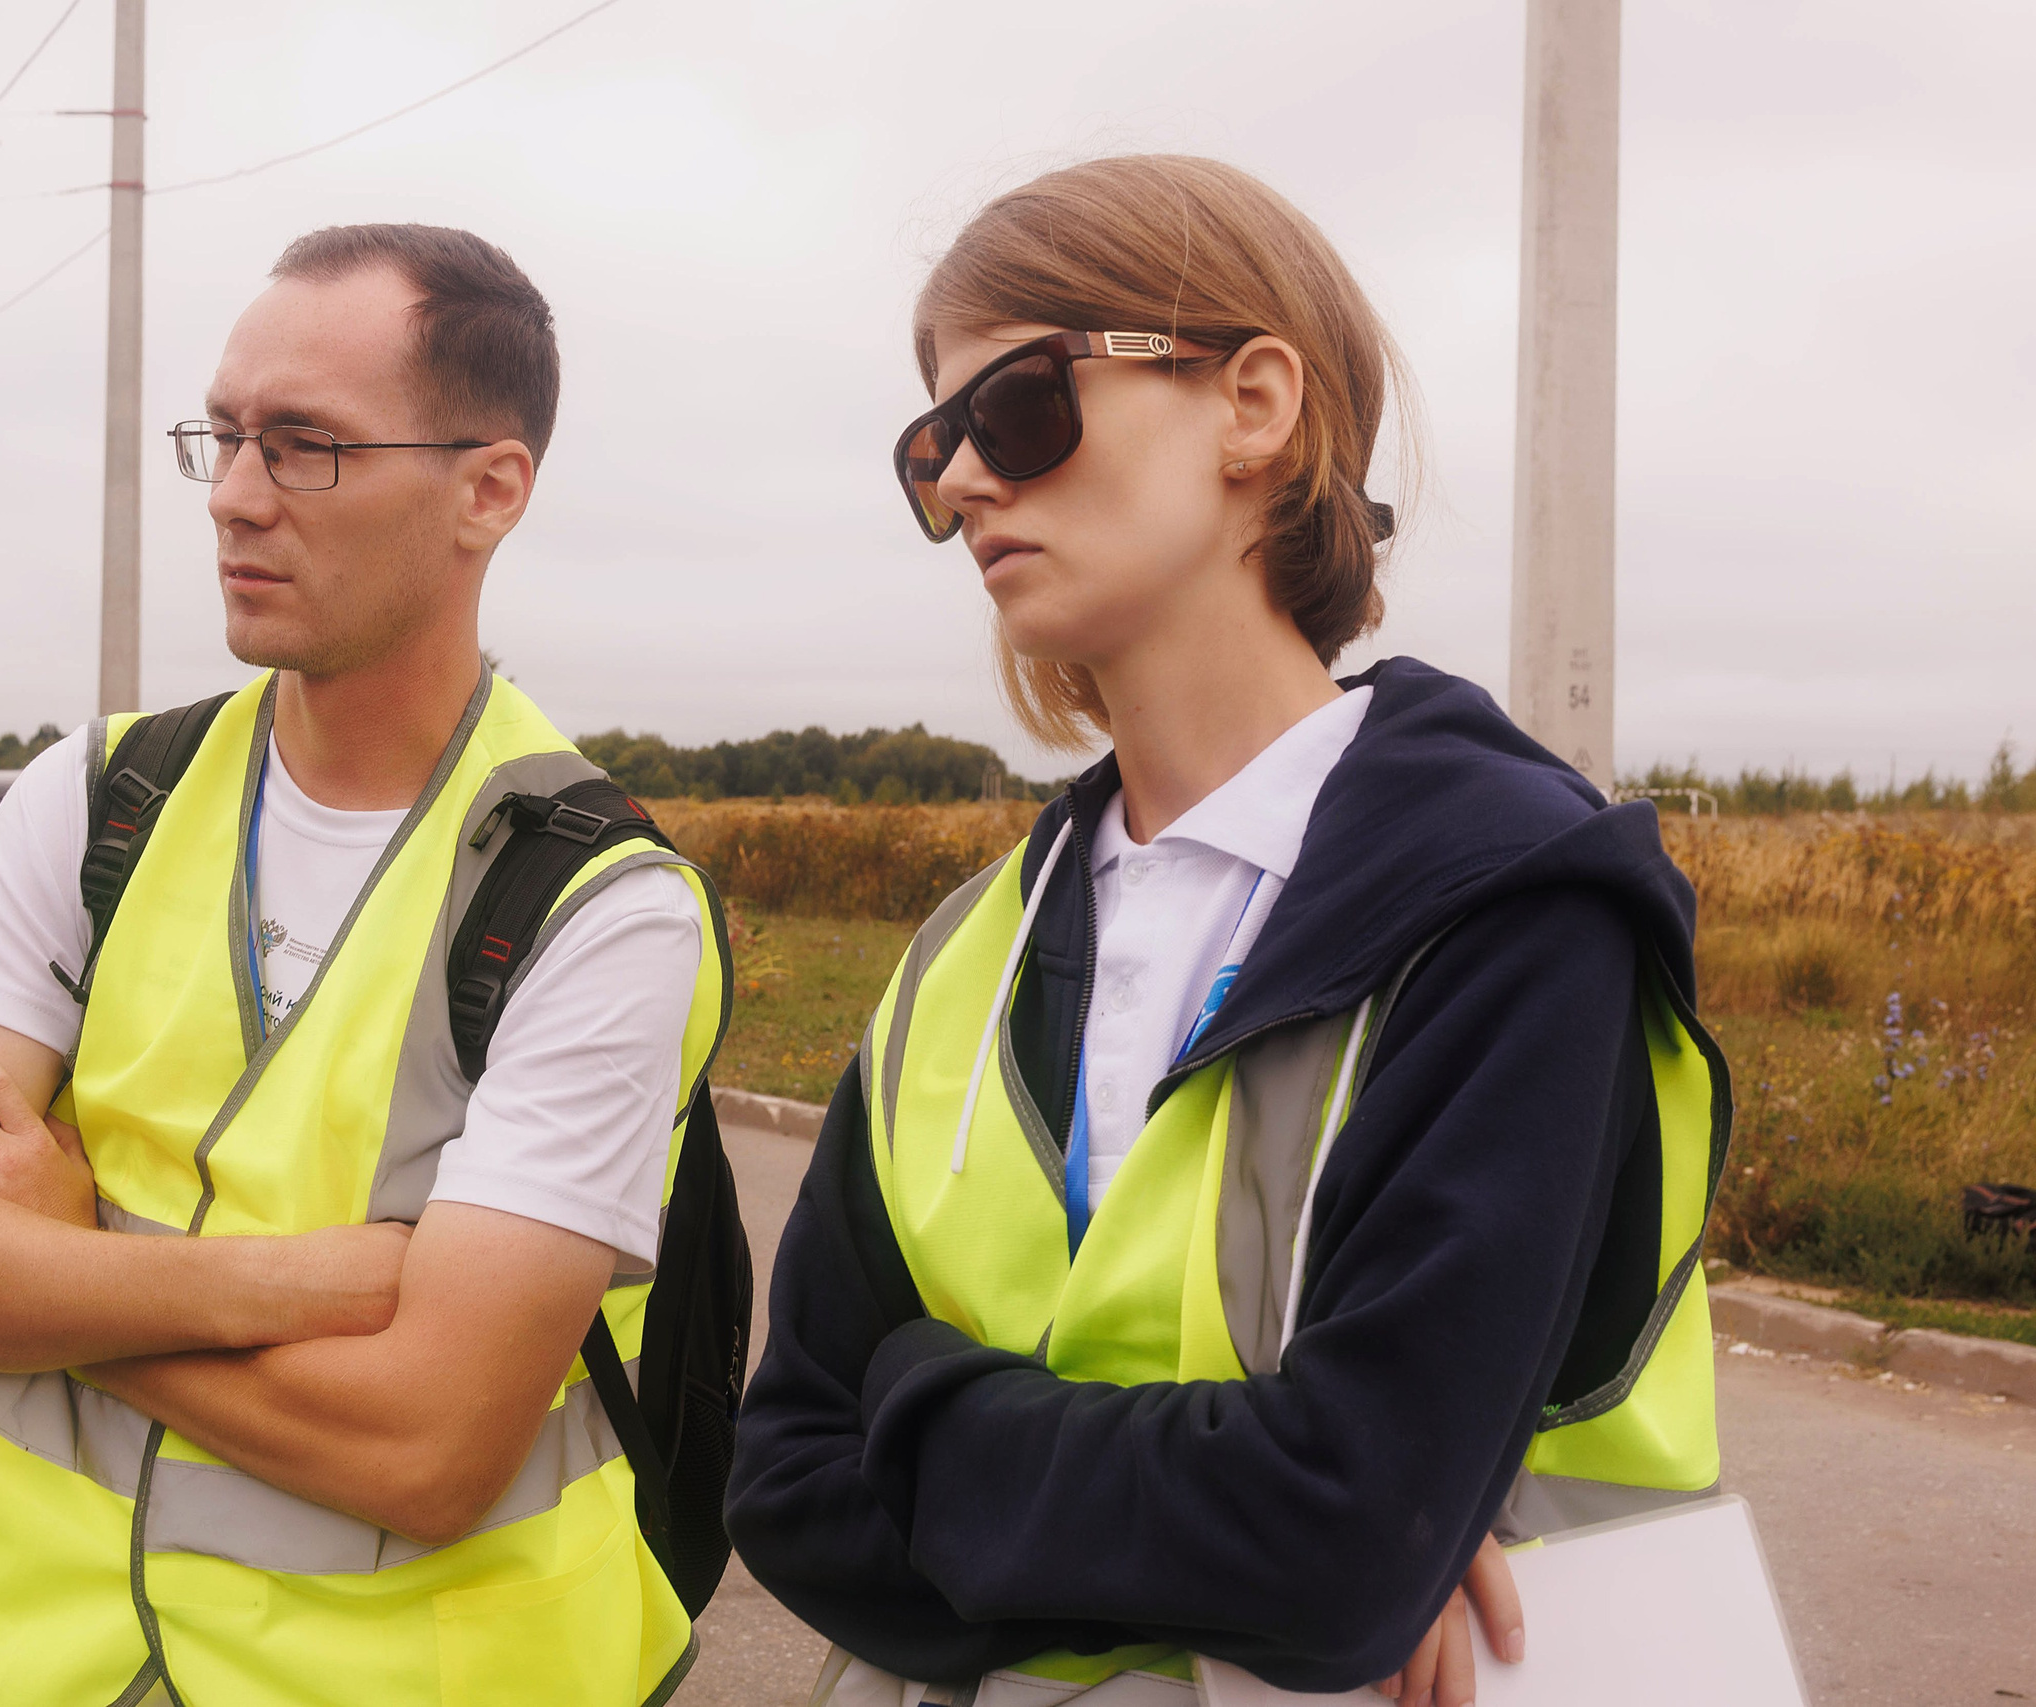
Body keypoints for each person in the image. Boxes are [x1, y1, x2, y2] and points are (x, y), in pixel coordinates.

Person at [724, 155, 1726, 1707]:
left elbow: (1337, 1538)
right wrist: (1248, 1532)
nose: (965, 481)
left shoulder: (1514, 906)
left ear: (1256, 407)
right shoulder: (957, 956)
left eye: (1018, 410)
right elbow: (784, 1472)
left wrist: (916, 1408)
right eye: (934, 445)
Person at [0, 225, 726, 1706]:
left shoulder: (597, 900)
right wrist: (310, 1281)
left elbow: (431, 1446)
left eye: (305, 446)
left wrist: (62, 1269)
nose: (237, 498)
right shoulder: (97, 796)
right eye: (226, 438)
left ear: (488, 488)